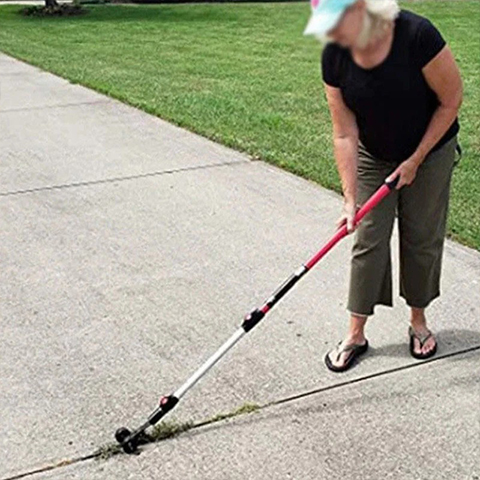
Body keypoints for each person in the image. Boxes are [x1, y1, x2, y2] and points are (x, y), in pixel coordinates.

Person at [303, 0, 463, 372]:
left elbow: (451, 100)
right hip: (373, 153)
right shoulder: (334, 56)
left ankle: (418, 321)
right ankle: (355, 333)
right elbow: (344, 133)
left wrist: (415, 159)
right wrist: (349, 199)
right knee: (367, 237)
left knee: (420, 234)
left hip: (431, 148)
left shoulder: (417, 34)